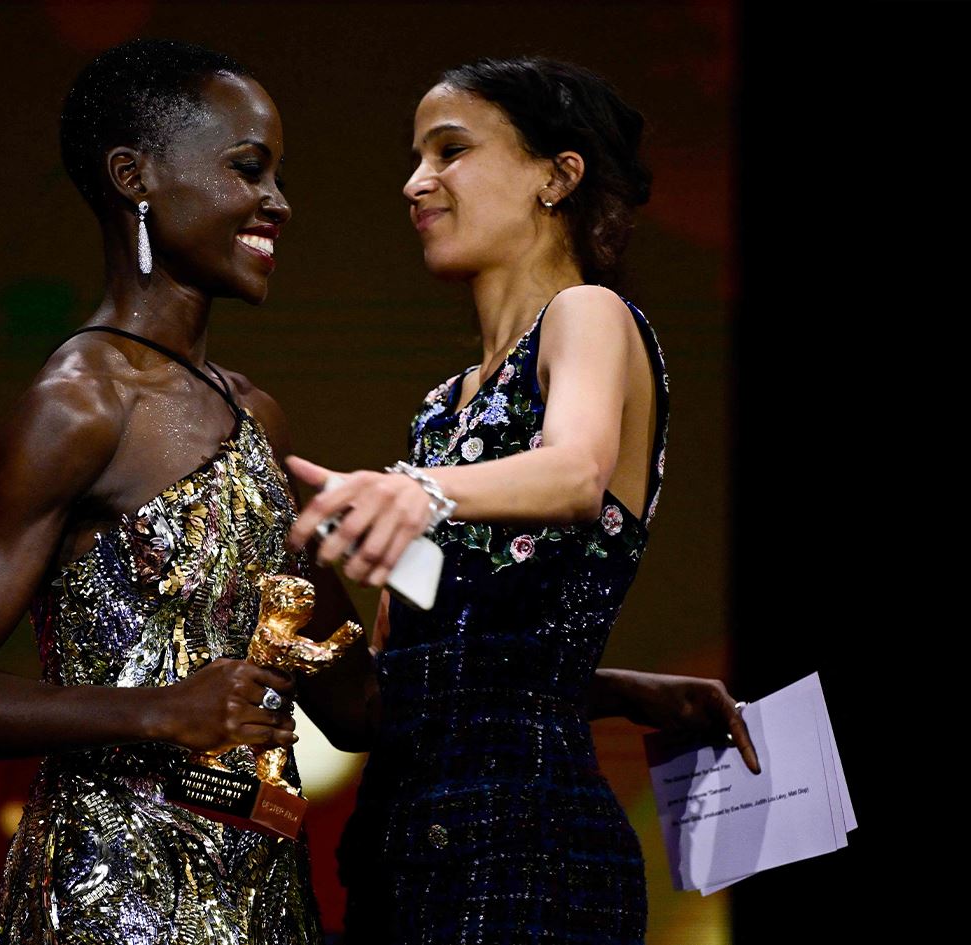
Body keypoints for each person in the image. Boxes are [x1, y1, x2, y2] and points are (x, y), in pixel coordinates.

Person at [0, 39, 368, 945]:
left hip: (265, 901)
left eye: (278, 176)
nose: (278, 201)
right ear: (133, 177)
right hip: (112, 901)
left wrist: (595, 682)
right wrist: (158, 709)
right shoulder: (79, 405)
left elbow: (355, 705)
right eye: (248, 169)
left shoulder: (259, 417)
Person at [285, 57, 749, 944]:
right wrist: (291, 548)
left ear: (557, 176)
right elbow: (398, 687)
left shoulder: (587, 315)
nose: (416, 182)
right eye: (417, 158)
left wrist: (415, 490)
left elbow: (575, 473)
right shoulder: (439, 412)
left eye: (450, 150)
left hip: (526, 854)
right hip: (398, 852)